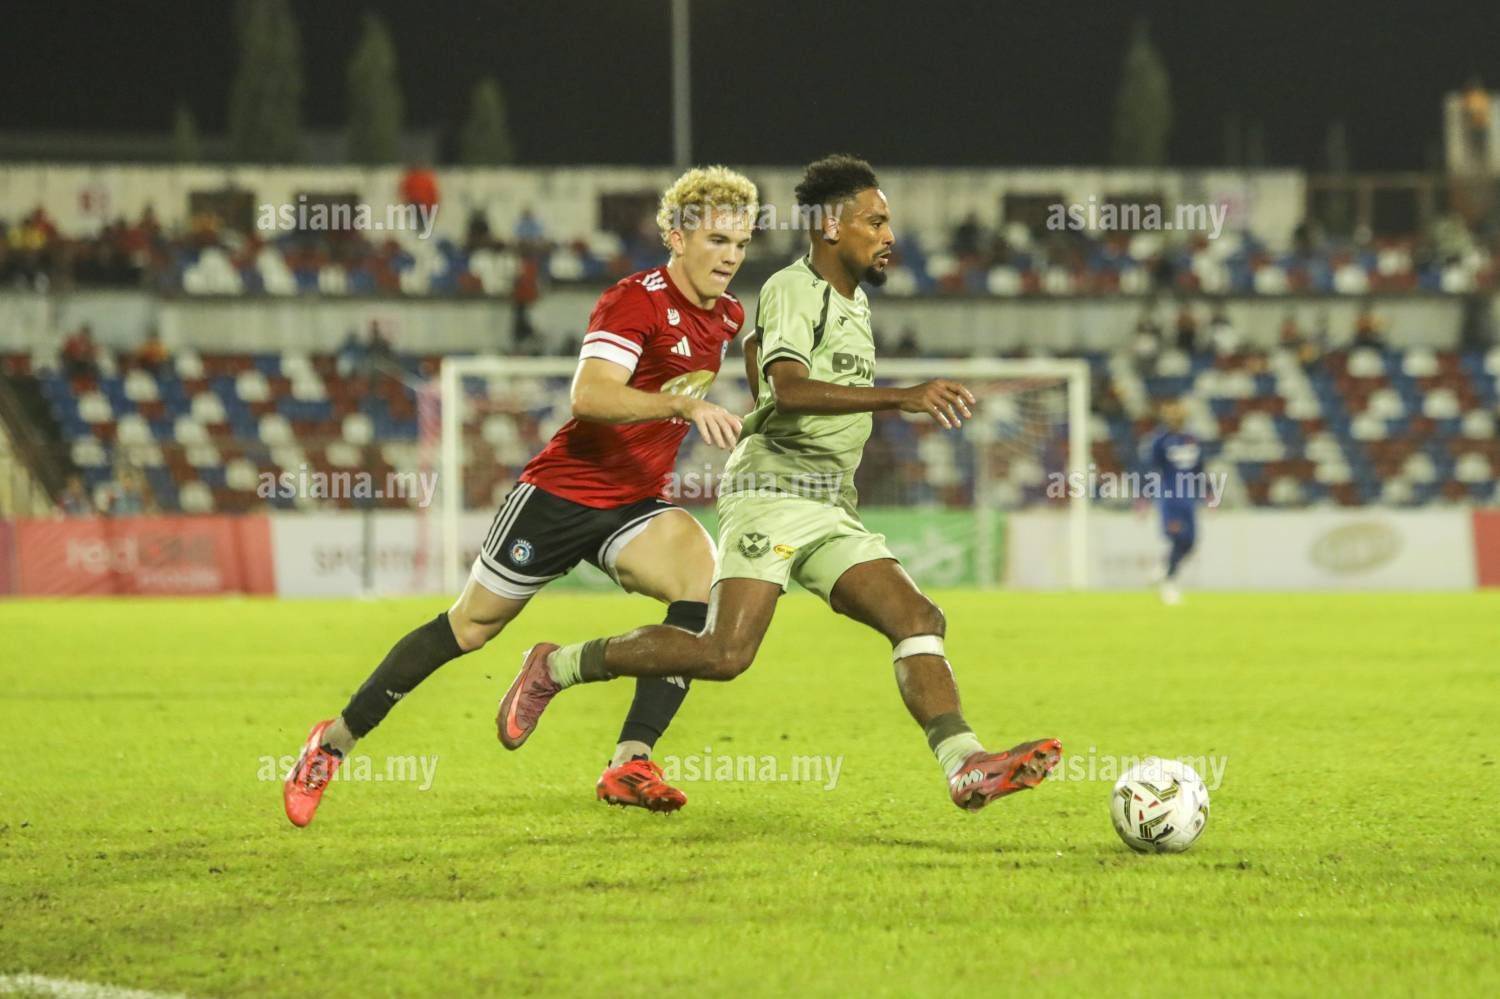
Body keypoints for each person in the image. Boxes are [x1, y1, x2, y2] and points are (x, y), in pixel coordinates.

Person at [496, 155, 1061, 812]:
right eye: (875, 221)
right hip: (772, 493)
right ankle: (556, 665)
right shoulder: (795, 287)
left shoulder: (854, 303)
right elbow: (789, 389)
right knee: (726, 652)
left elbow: (763, 360)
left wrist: (760, 368)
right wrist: (902, 395)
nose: (888, 236)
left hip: (829, 502)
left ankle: (965, 764)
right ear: (831, 227)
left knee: (918, 617)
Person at [283, 166, 760, 826]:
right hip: (561, 494)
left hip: (634, 504)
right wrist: (682, 405)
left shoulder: (728, 315)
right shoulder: (634, 300)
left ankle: (631, 760)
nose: (731, 257)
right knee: (469, 628)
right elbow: (589, 396)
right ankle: (331, 744)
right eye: (717, 240)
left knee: (701, 588)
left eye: (741, 243)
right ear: (677, 238)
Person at [1143, 399, 1204, 606]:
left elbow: (1199, 469)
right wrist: (1144, 496)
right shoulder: (1160, 441)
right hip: (1170, 498)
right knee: (1177, 538)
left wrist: (1209, 492)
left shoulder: (1192, 440)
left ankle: (1163, 569)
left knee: (1190, 542)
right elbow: (1151, 469)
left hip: (1189, 498)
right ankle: (1169, 584)